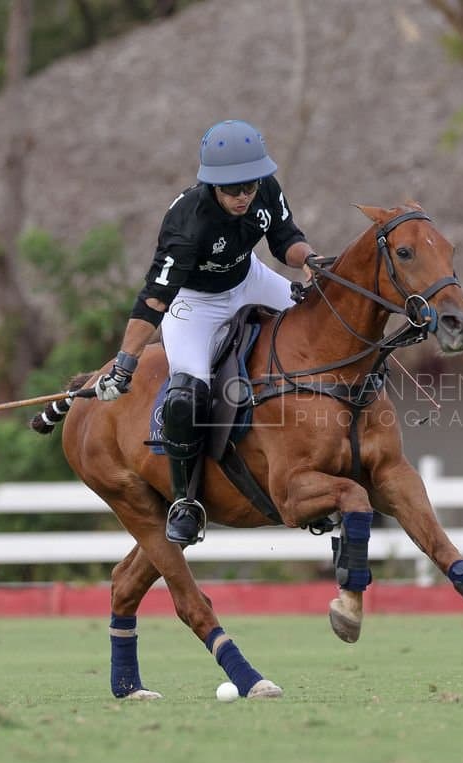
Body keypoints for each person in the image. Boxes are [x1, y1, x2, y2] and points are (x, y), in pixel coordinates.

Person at [95, 120, 317, 546]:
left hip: (249, 278)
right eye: (233, 189)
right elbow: (155, 298)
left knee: (320, 324)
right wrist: (125, 363)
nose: (243, 197)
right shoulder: (187, 222)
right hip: (193, 303)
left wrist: (310, 259)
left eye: (249, 187)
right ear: (213, 185)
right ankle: (186, 501)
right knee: (186, 394)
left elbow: (285, 239)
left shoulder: (265, 189)